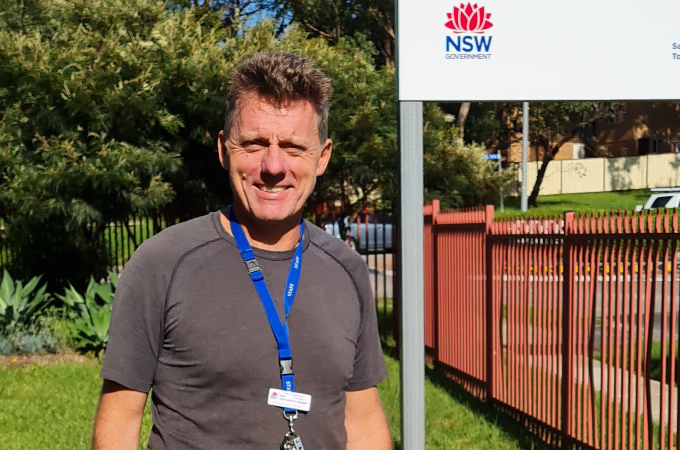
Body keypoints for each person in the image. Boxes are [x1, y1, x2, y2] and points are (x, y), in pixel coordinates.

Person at [91, 52, 392, 450]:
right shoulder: (162, 264)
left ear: (322, 157)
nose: (272, 165)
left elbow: (364, 421)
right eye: (253, 144)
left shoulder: (347, 269)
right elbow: (118, 425)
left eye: (293, 147)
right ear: (223, 149)